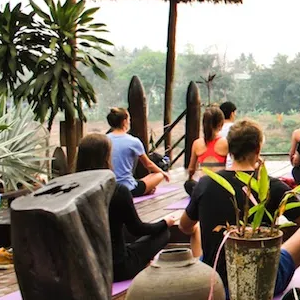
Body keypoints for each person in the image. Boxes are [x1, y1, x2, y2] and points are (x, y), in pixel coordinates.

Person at [179, 119, 300, 296]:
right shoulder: (271, 186)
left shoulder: (206, 183)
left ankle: (204, 273)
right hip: (261, 284)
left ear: (230, 149)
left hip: (215, 283)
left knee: (195, 228)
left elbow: (184, 226)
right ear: (258, 149)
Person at [76, 133, 198, 281]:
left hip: (85, 268)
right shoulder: (117, 191)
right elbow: (138, 229)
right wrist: (165, 223)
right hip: (116, 268)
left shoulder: (73, 192)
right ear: (107, 157)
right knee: (163, 233)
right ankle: (145, 264)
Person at [106, 107, 169, 197]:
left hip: (108, 188)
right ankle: (147, 189)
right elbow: (148, 164)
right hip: (128, 189)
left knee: (139, 180)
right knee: (158, 175)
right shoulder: (133, 141)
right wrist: (163, 173)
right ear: (124, 122)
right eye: (129, 119)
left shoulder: (104, 139)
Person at [184, 106, 229, 195]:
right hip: (221, 186)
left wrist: (190, 179)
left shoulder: (197, 143)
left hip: (203, 187)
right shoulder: (226, 143)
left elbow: (191, 169)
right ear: (221, 124)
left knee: (188, 184)